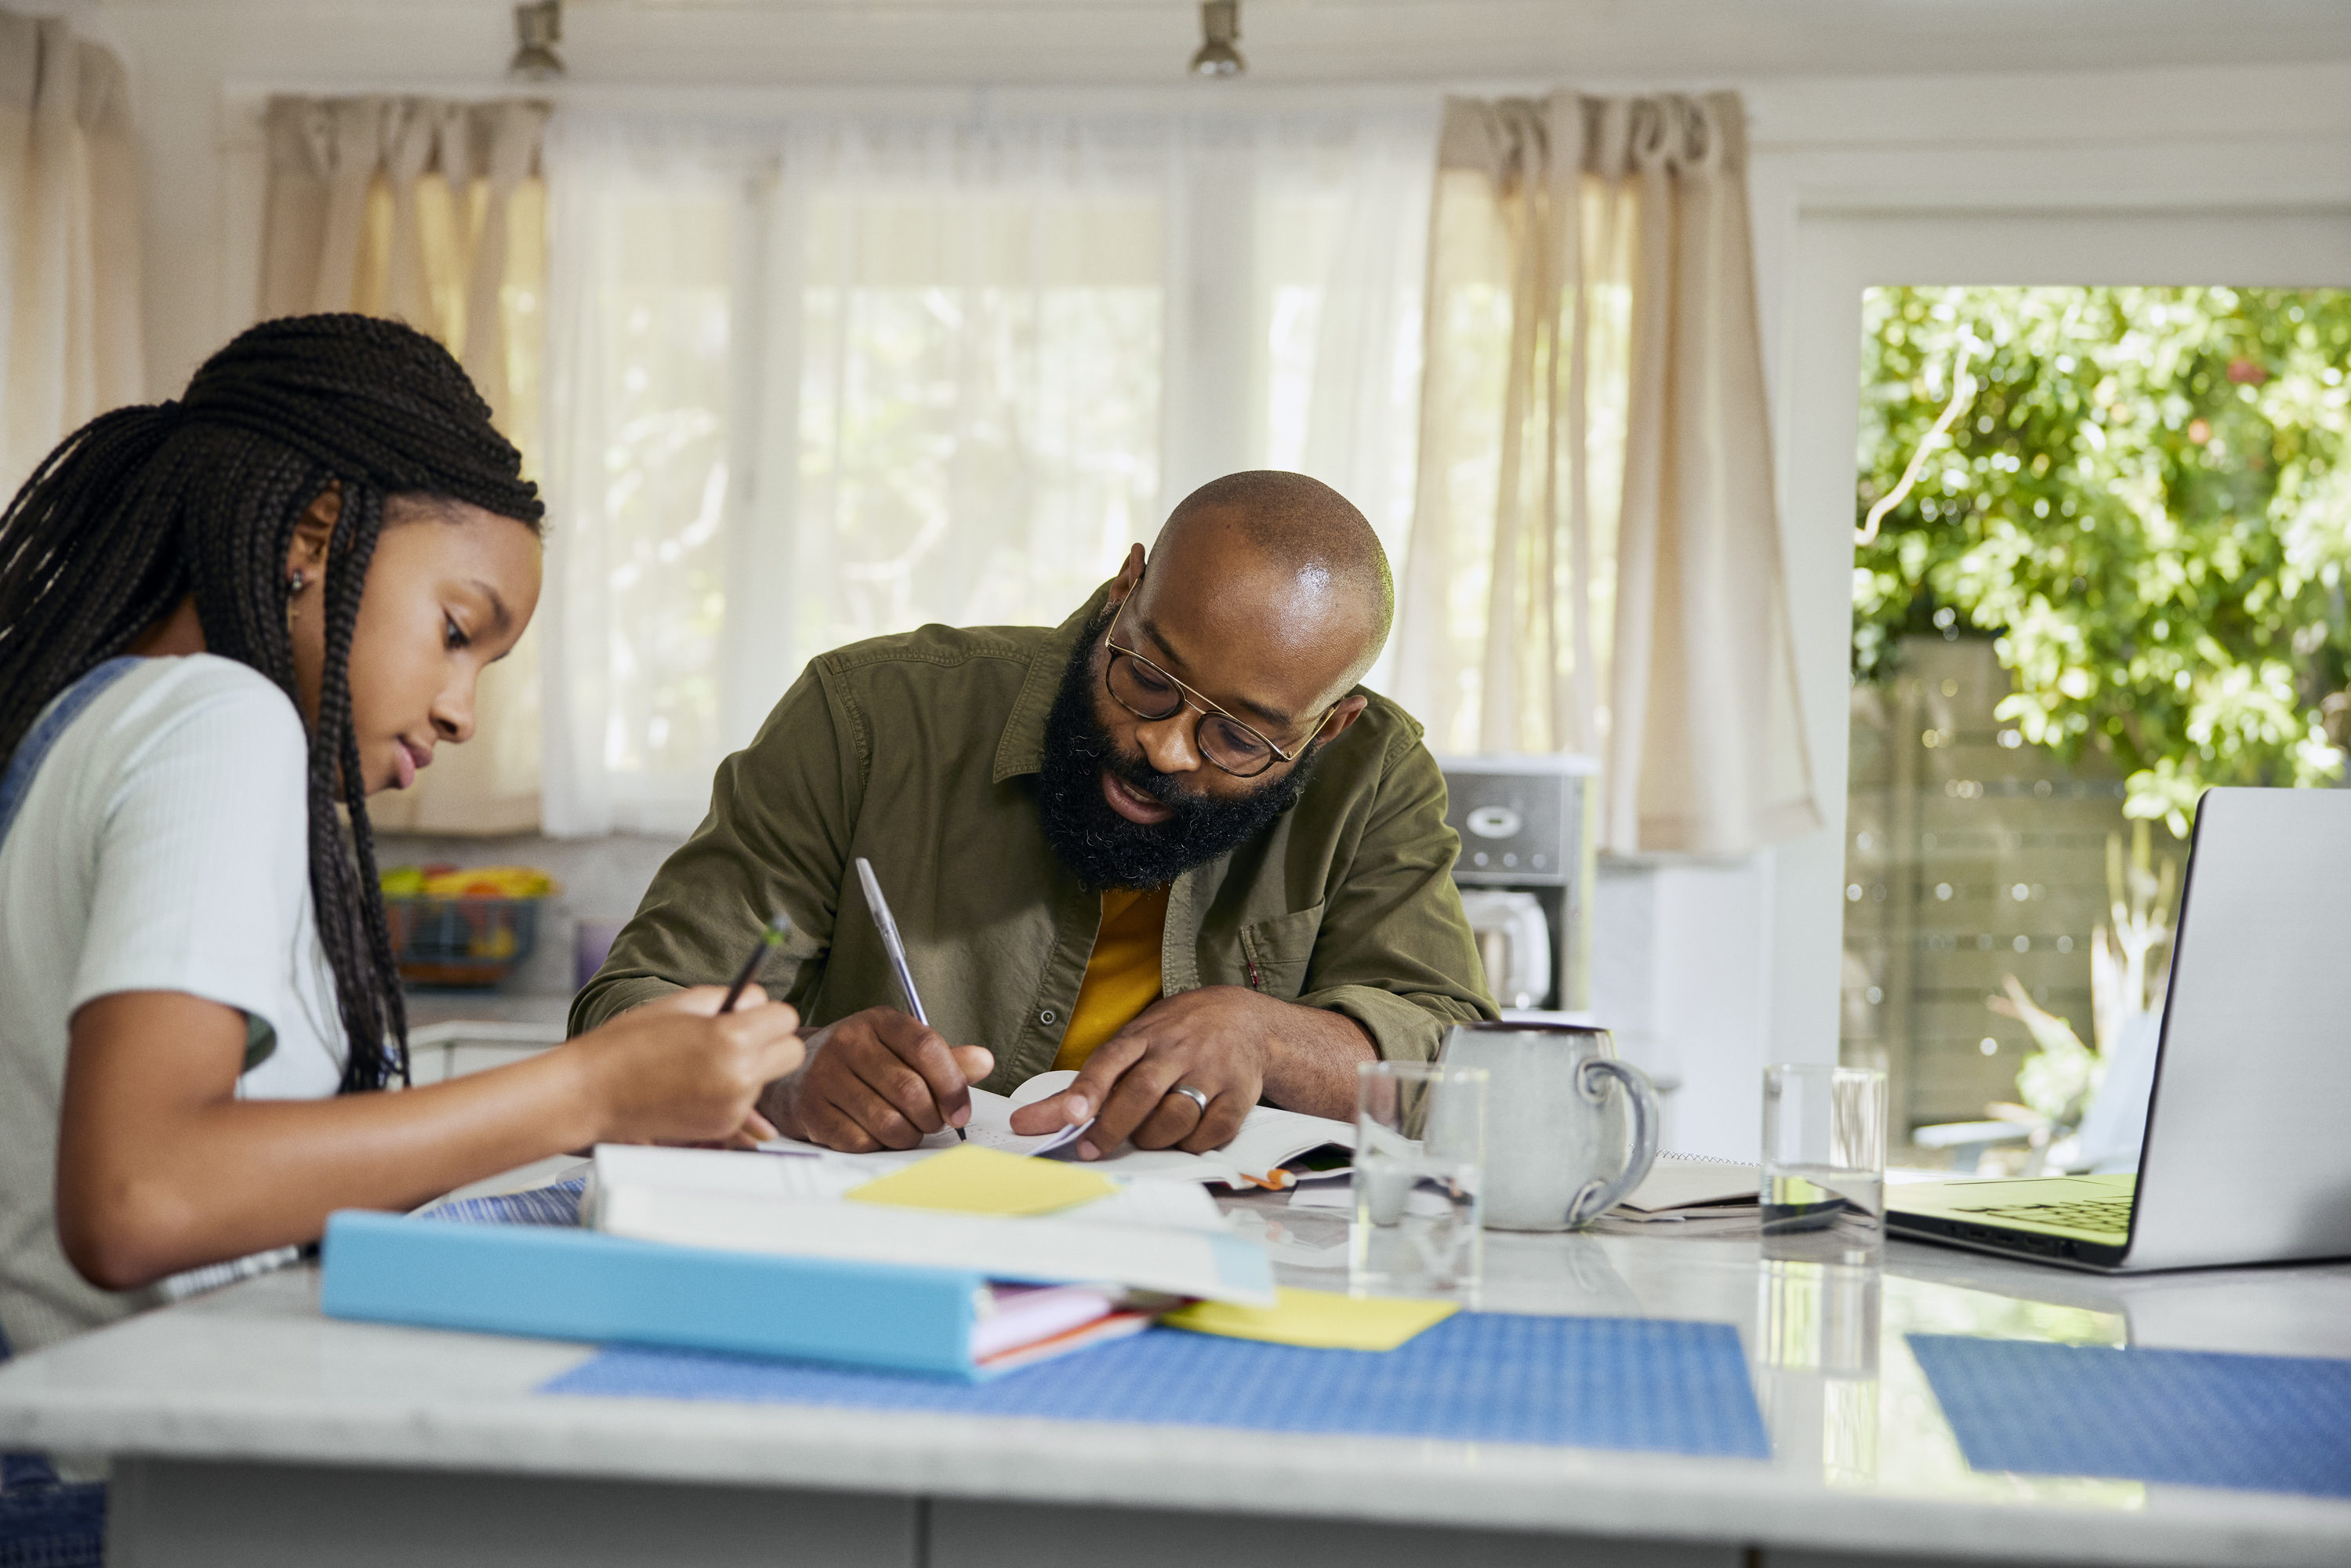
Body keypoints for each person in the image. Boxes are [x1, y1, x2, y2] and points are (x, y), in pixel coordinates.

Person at [0, 315, 805, 1368]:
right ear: (313, 536)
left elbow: (228, 1182)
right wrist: (589, 1088)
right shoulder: (222, 724)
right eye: (458, 631)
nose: (462, 713)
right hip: (99, 1487)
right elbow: (140, 1197)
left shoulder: (101, 716)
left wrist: (614, 1107)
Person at [573, 471, 1494, 1159]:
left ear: (1327, 726)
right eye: (1145, 676)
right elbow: (624, 1016)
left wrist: (1267, 1034)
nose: (1165, 748)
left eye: (1236, 741)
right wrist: (788, 1075)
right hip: (881, 1251)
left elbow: (1463, 1064)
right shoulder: (865, 719)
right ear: (1121, 590)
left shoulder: (1374, 776)